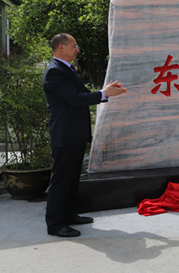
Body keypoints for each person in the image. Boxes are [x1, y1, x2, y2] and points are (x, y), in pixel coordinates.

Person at [43, 33, 127, 237]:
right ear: (61, 47)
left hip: (74, 133)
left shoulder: (67, 69)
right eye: (74, 45)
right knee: (62, 179)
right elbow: (74, 99)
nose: (77, 49)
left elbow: (79, 95)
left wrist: (104, 92)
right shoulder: (55, 71)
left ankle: (69, 214)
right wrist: (104, 94)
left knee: (72, 178)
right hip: (65, 135)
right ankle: (55, 224)